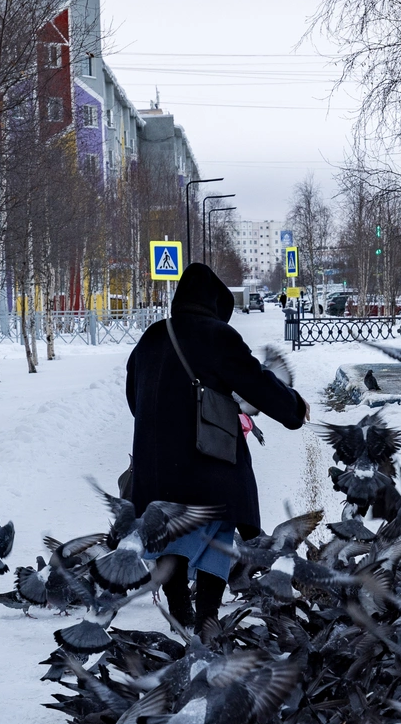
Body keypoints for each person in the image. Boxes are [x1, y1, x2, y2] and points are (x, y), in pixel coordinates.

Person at [125, 262, 308, 629]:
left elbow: (134, 395)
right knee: (220, 526)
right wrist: (293, 407)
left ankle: (179, 605)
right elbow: (255, 382)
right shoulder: (217, 337)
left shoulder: (152, 336)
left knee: (168, 531)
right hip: (207, 456)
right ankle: (208, 614)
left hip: (156, 461)